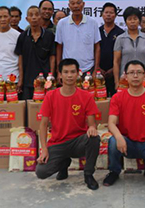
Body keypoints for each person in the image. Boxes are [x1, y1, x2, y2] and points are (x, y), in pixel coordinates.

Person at [36, 58, 101, 190]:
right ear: (59, 75)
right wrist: (44, 149)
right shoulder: (50, 96)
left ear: (78, 74)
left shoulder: (86, 96)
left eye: (72, 72)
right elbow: (43, 125)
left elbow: (92, 123)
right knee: (41, 172)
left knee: (94, 138)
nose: (69, 75)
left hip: (78, 142)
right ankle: (64, 163)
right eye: (65, 72)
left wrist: (92, 128)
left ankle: (88, 174)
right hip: (58, 143)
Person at [103, 60, 145, 186]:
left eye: (139, 72)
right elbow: (111, 122)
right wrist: (118, 137)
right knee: (112, 141)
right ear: (125, 76)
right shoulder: (118, 98)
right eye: (131, 73)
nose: (135, 76)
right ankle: (114, 171)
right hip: (127, 143)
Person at [15, 6, 56, 100]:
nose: (34, 17)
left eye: (36, 15)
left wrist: (51, 76)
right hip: (27, 80)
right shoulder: (22, 36)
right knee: (28, 108)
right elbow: (20, 58)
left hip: (45, 80)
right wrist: (21, 79)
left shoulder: (49, 36)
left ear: (41, 16)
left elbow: (52, 57)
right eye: (31, 15)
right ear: (26, 19)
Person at [55, 0, 101, 75]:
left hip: (88, 69)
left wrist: (96, 69)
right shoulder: (62, 23)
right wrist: (59, 70)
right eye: (73, 3)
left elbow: (97, 47)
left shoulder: (92, 23)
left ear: (83, 4)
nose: (76, 6)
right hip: (68, 70)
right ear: (69, 6)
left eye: (78, 3)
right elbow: (59, 47)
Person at [113, 7, 145, 91]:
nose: (132, 22)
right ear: (125, 22)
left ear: (139, 21)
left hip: (144, 78)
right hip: (125, 79)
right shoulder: (120, 39)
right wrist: (117, 81)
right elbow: (116, 61)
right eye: (129, 19)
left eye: (135, 19)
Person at [99, 2, 124, 93]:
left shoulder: (121, 33)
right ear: (102, 14)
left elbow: (123, 53)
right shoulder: (97, 31)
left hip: (116, 72)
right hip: (99, 72)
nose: (108, 15)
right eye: (106, 13)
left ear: (116, 15)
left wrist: (113, 69)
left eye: (111, 13)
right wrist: (98, 68)